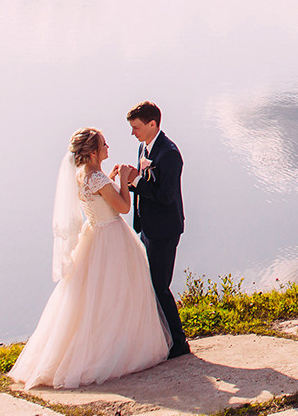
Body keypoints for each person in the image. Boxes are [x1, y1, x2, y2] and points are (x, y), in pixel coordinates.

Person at [10, 126, 170, 389]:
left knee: (92, 298)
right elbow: (122, 207)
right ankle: (117, 351)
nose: (108, 147)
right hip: (111, 238)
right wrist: (124, 180)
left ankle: (93, 347)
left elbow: (98, 197)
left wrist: (110, 179)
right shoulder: (97, 179)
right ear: (94, 151)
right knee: (118, 295)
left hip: (94, 236)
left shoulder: (83, 176)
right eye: (104, 144)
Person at [126, 100, 191, 358]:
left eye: (137, 127)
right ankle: (161, 336)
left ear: (153, 124)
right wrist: (130, 183)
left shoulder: (169, 154)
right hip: (148, 227)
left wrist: (137, 181)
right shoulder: (144, 147)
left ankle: (179, 342)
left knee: (160, 285)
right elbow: (143, 188)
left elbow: (165, 196)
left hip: (164, 230)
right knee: (149, 285)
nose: (133, 133)